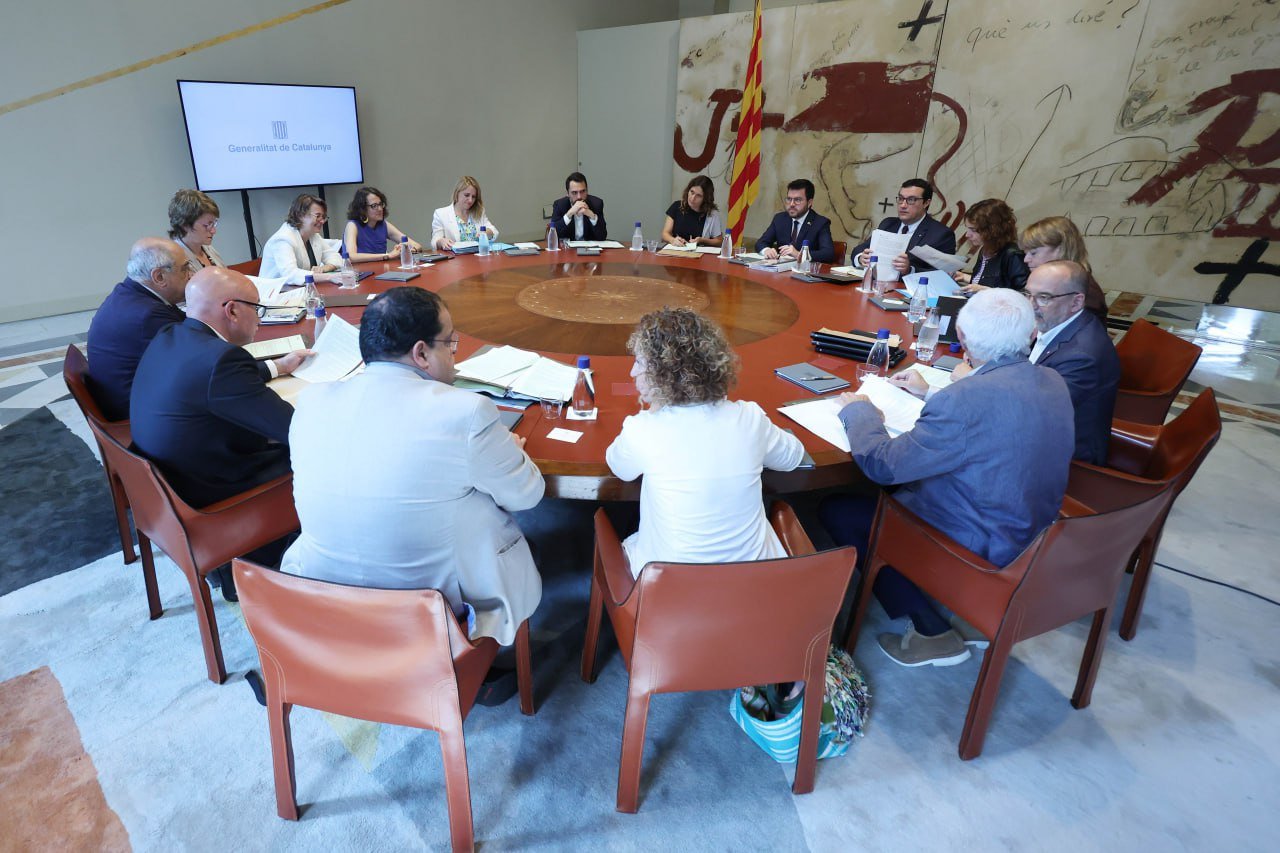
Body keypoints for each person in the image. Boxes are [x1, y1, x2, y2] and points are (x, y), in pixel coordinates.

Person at [819, 289, 1074, 667]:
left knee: (837, 510)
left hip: (978, 548)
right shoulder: (1052, 379)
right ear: (1032, 333)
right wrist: (954, 387)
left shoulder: (966, 398)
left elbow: (882, 465)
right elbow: (994, 417)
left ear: (963, 337)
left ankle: (929, 630)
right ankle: (958, 616)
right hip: (1032, 534)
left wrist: (860, 412)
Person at [282, 287, 543, 646]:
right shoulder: (466, 412)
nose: (454, 354)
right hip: (426, 621)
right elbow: (527, 495)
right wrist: (508, 450)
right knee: (479, 506)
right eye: (450, 343)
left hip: (324, 605)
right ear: (421, 353)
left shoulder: (310, 403)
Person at [130, 267, 311, 599]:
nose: (259, 319)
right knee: (320, 458)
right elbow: (295, 430)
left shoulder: (172, 335)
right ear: (231, 310)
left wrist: (276, 367)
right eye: (257, 309)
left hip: (167, 490)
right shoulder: (223, 360)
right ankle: (278, 565)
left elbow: (211, 380)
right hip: (213, 497)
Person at [606, 308, 805, 576]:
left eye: (640, 363)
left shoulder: (644, 428)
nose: (632, 372)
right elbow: (793, 457)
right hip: (757, 589)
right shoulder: (749, 417)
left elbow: (618, 466)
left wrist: (652, 410)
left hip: (672, 592)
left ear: (663, 374)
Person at [1026, 260, 1120, 465]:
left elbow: (1029, 411)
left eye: (1044, 297)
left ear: (1076, 302)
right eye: (1028, 295)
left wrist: (977, 378)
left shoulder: (1081, 356)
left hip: (1064, 460)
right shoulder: (1063, 324)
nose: (1031, 306)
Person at [87, 238, 192, 421]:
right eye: (185, 269)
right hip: (141, 416)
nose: (191, 276)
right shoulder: (148, 315)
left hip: (133, 397)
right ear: (158, 277)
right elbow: (199, 359)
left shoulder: (129, 293)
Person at [850, 178, 957, 273]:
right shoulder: (888, 224)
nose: (903, 205)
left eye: (911, 200)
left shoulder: (941, 234)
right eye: (901, 198)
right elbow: (859, 249)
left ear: (926, 203)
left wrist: (910, 270)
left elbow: (944, 274)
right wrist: (861, 258)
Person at [1020, 216, 1108, 320]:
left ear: (1061, 249)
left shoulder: (1087, 292)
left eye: (1033, 253)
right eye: (1025, 253)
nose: (1026, 259)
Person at [260, 194, 344, 285]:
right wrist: (329, 277)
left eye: (323, 217)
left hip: (299, 290)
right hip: (277, 294)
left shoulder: (313, 235)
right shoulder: (282, 239)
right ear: (300, 215)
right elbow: (291, 275)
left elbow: (335, 257)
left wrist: (325, 268)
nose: (322, 221)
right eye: (317, 216)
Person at [956, 199, 1030, 292]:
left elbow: (1025, 295)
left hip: (996, 306)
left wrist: (987, 291)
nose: (967, 235)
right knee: (933, 301)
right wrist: (964, 276)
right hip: (977, 302)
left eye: (973, 230)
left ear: (992, 230)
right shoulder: (985, 249)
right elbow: (985, 282)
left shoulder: (1013, 255)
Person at [754, 178, 836, 263]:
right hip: (780, 272)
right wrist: (766, 250)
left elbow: (828, 254)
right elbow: (761, 243)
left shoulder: (820, 223)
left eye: (797, 200)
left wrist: (799, 254)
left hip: (805, 273)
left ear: (809, 202)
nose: (792, 204)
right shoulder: (780, 219)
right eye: (789, 199)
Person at [343, 186, 422, 262]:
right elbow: (351, 256)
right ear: (362, 209)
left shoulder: (383, 225)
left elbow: (417, 245)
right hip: (359, 273)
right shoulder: (352, 226)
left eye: (381, 204)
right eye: (374, 206)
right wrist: (387, 256)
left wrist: (407, 249)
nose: (380, 209)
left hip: (380, 270)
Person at [431, 176, 501, 251]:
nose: (470, 200)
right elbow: (435, 241)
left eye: (473, 197)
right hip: (454, 260)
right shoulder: (441, 214)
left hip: (478, 258)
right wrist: (441, 241)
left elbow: (494, 231)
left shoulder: (479, 211)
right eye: (466, 195)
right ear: (457, 194)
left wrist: (486, 232)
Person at [168, 189, 226, 273]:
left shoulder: (207, 248)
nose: (213, 231)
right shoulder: (176, 262)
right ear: (185, 225)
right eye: (206, 225)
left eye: (213, 223)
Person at [661, 174, 724, 247]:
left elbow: (719, 241)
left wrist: (702, 240)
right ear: (688, 190)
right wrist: (673, 240)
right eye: (692, 192)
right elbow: (665, 234)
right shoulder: (677, 206)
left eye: (698, 195)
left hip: (699, 255)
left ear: (705, 198)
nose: (693, 198)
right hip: (676, 251)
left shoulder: (712, 214)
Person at [551, 172, 607, 240]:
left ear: (587, 191)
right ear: (567, 193)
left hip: (588, 249)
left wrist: (592, 216)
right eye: (574, 192)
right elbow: (554, 235)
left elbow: (602, 237)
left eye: (583, 191)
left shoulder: (596, 204)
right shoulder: (560, 205)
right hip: (568, 250)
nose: (579, 196)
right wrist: (569, 214)